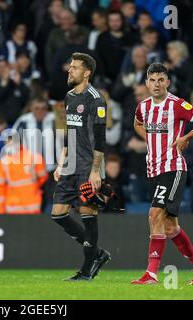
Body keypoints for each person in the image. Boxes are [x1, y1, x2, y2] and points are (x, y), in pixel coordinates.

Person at [132, 62, 193, 285]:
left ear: (167, 82)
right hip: (154, 169)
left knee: (154, 215)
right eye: (152, 80)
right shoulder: (143, 107)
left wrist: (187, 137)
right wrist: (150, 141)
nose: (157, 84)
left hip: (173, 167)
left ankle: (151, 273)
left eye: (161, 80)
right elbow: (137, 124)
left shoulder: (177, 104)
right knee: (170, 226)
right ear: (147, 83)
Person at [51, 52, 111, 281]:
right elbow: (69, 133)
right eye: (70, 67)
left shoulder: (96, 99)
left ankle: (86, 271)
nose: (70, 70)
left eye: (75, 67)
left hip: (88, 165)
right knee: (58, 214)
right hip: (70, 163)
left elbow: (100, 138)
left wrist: (96, 171)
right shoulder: (68, 96)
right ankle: (97, 254)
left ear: (86, 73)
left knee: (88, 213)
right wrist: (61, 162)